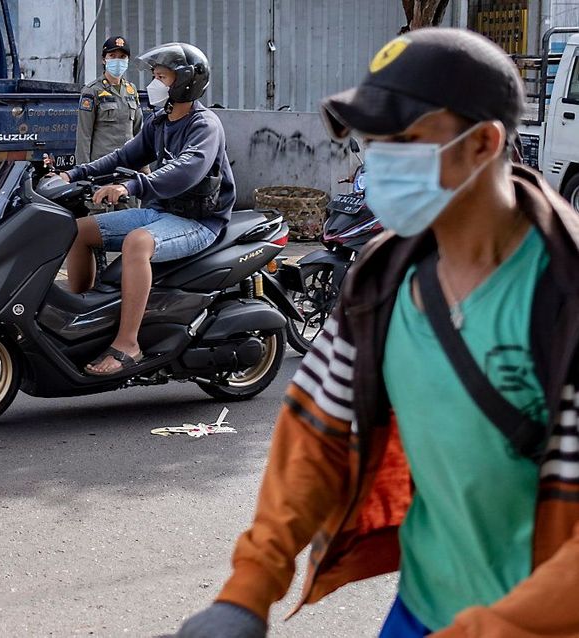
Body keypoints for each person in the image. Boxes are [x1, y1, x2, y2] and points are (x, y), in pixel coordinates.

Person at [178, 28, 579, 638]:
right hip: (420, 609)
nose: (382, 160)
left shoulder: (565, 297)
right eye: (375, 143)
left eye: (408, 141)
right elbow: (315, 435)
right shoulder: (384, 277)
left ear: (484, 144)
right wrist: (248, 589)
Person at [59, 42, 234, 375]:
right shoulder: (159, 121)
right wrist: (72, 173)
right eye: (154, 76)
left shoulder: (204, 126)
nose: (154, 83)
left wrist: (130, 186)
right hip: (162, 212)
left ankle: (128, 344)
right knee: (79, 231)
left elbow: (186, 169)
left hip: (200, 222)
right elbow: (123, 156)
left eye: (162, 77)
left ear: (184, 82)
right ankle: (84, 324)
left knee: (137, 243)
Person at [75, 36, 141, 165]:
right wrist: (83, 171)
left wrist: (144, 167)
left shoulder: (131, 90)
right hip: (102, 166)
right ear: (104, 60)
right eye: (112, 56)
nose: (118, 60)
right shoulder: (92, 91)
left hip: (128, 164)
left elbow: (139, 133)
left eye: (122, 57)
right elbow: (84, 136)